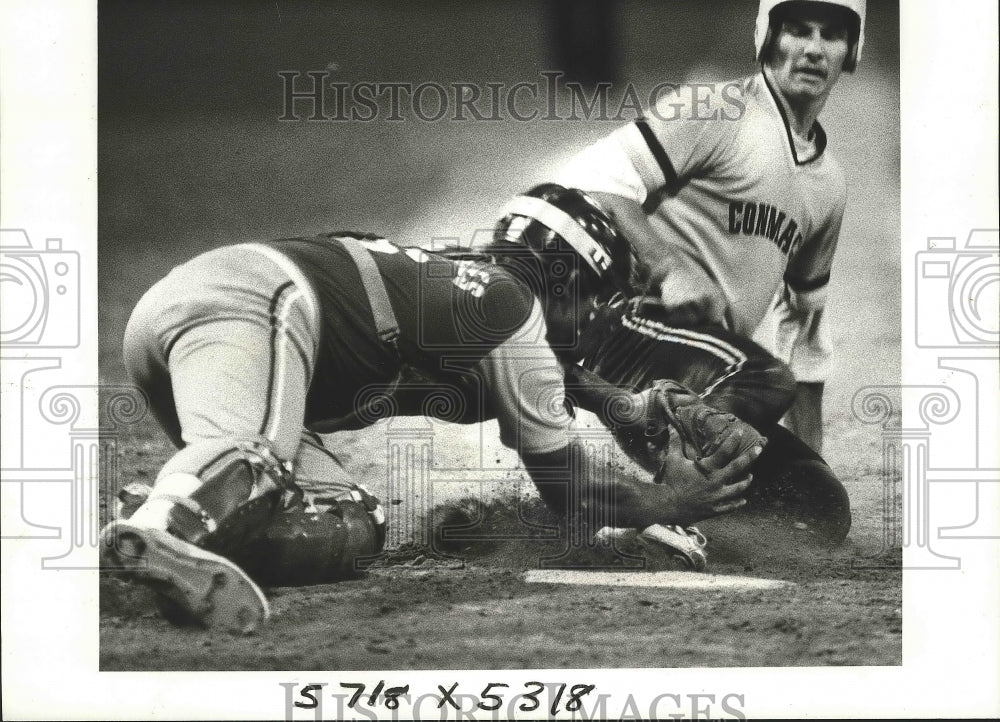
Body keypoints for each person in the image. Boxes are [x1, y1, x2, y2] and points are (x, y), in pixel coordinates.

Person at [99, 185, 763, 633]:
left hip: (211, 312)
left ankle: (156, 536)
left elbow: (539, 379)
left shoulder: (481, 290)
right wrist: (668, 502)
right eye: (596, 300)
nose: (597, 321)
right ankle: (163, 524)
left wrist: (624, 404)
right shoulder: (512, 311)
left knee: (350, 520)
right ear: (564, 281)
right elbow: (571, 490)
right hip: (253, 305)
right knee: (259, 461)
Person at [557, 0, 867, 457]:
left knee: (779, 455)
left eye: (831, 34)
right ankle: (658, 460)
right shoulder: (715, 107)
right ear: (768, 35)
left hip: (696, 366)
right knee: (764, 381)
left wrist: (816, 462)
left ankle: (670, 467)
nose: (812, 49)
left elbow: (806, 333)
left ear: (852, 48)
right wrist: (668, 265)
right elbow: (589, 177)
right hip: (619, 321)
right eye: (797, 30)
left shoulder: (829, 184)